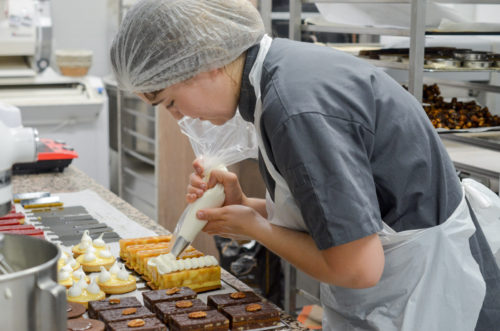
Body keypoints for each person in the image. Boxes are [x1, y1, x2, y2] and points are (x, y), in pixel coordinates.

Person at [110, 0, 500, 329]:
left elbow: (358, 267)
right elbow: (344, 214)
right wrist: (247, 206)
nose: (180, 118)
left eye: (171, 103)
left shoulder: (294, 109)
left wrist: (258, 228)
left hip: (434, 298)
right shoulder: (278, 77)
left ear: (204, 61)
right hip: (405, 286)